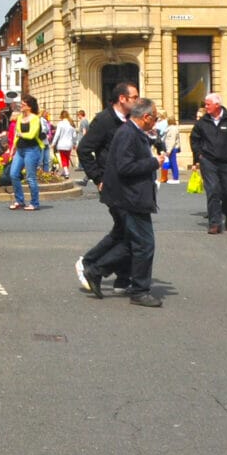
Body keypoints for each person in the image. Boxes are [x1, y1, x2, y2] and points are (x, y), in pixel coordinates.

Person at [87, 100, 164, 307]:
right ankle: (139, 290)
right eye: (154, 117)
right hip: (130, 198)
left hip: (133, 197)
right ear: (146, 117)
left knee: (132, 243)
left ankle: (96, 269)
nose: (155, 122)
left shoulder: (133, 133)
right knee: (144, 244)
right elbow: (125, 167)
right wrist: (153, 162)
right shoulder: (128, 133)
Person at [75, 81, 140, 294]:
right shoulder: (104, 120)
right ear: (122, 99)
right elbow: (84, 149)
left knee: (123, 231)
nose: (138, 101)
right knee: (129, 231)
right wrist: (97, 177)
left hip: (129, 185)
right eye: (134, 97)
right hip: (111, 185)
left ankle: (122, 277)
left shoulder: (131, 120)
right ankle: (91, 264)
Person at [189, 93, 227, 235]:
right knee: (213, 190)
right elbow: (194, 139)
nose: (205, 106)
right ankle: (214, 222)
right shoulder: (202, 122)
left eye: (208, 104)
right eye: (205, 104)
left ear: (217, 105)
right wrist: (199, 156)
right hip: (209, 162)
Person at [8, 94, 48, 211]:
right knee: (13, 174)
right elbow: (16, 134)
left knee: (31, 178)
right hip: (20, 150)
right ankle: (19, 200)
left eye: (24, 104)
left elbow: (32, 135)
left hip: (32, 150)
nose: (21, 106)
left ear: (29, 107)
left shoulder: (35, 118)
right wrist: (13, 148)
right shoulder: (20, 118)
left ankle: (34, 203)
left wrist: (21, 134)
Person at [52, 110, 78, 174]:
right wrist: (75, 144)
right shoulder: (71, 123)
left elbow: (57, 134)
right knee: (67, 157)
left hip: (62, 144)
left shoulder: (60, 124)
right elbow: (74, 136)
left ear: (61, 116)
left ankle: (66, 171)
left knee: (63, 158)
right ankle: (65, 171)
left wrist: (53, 143)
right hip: (69, 144)